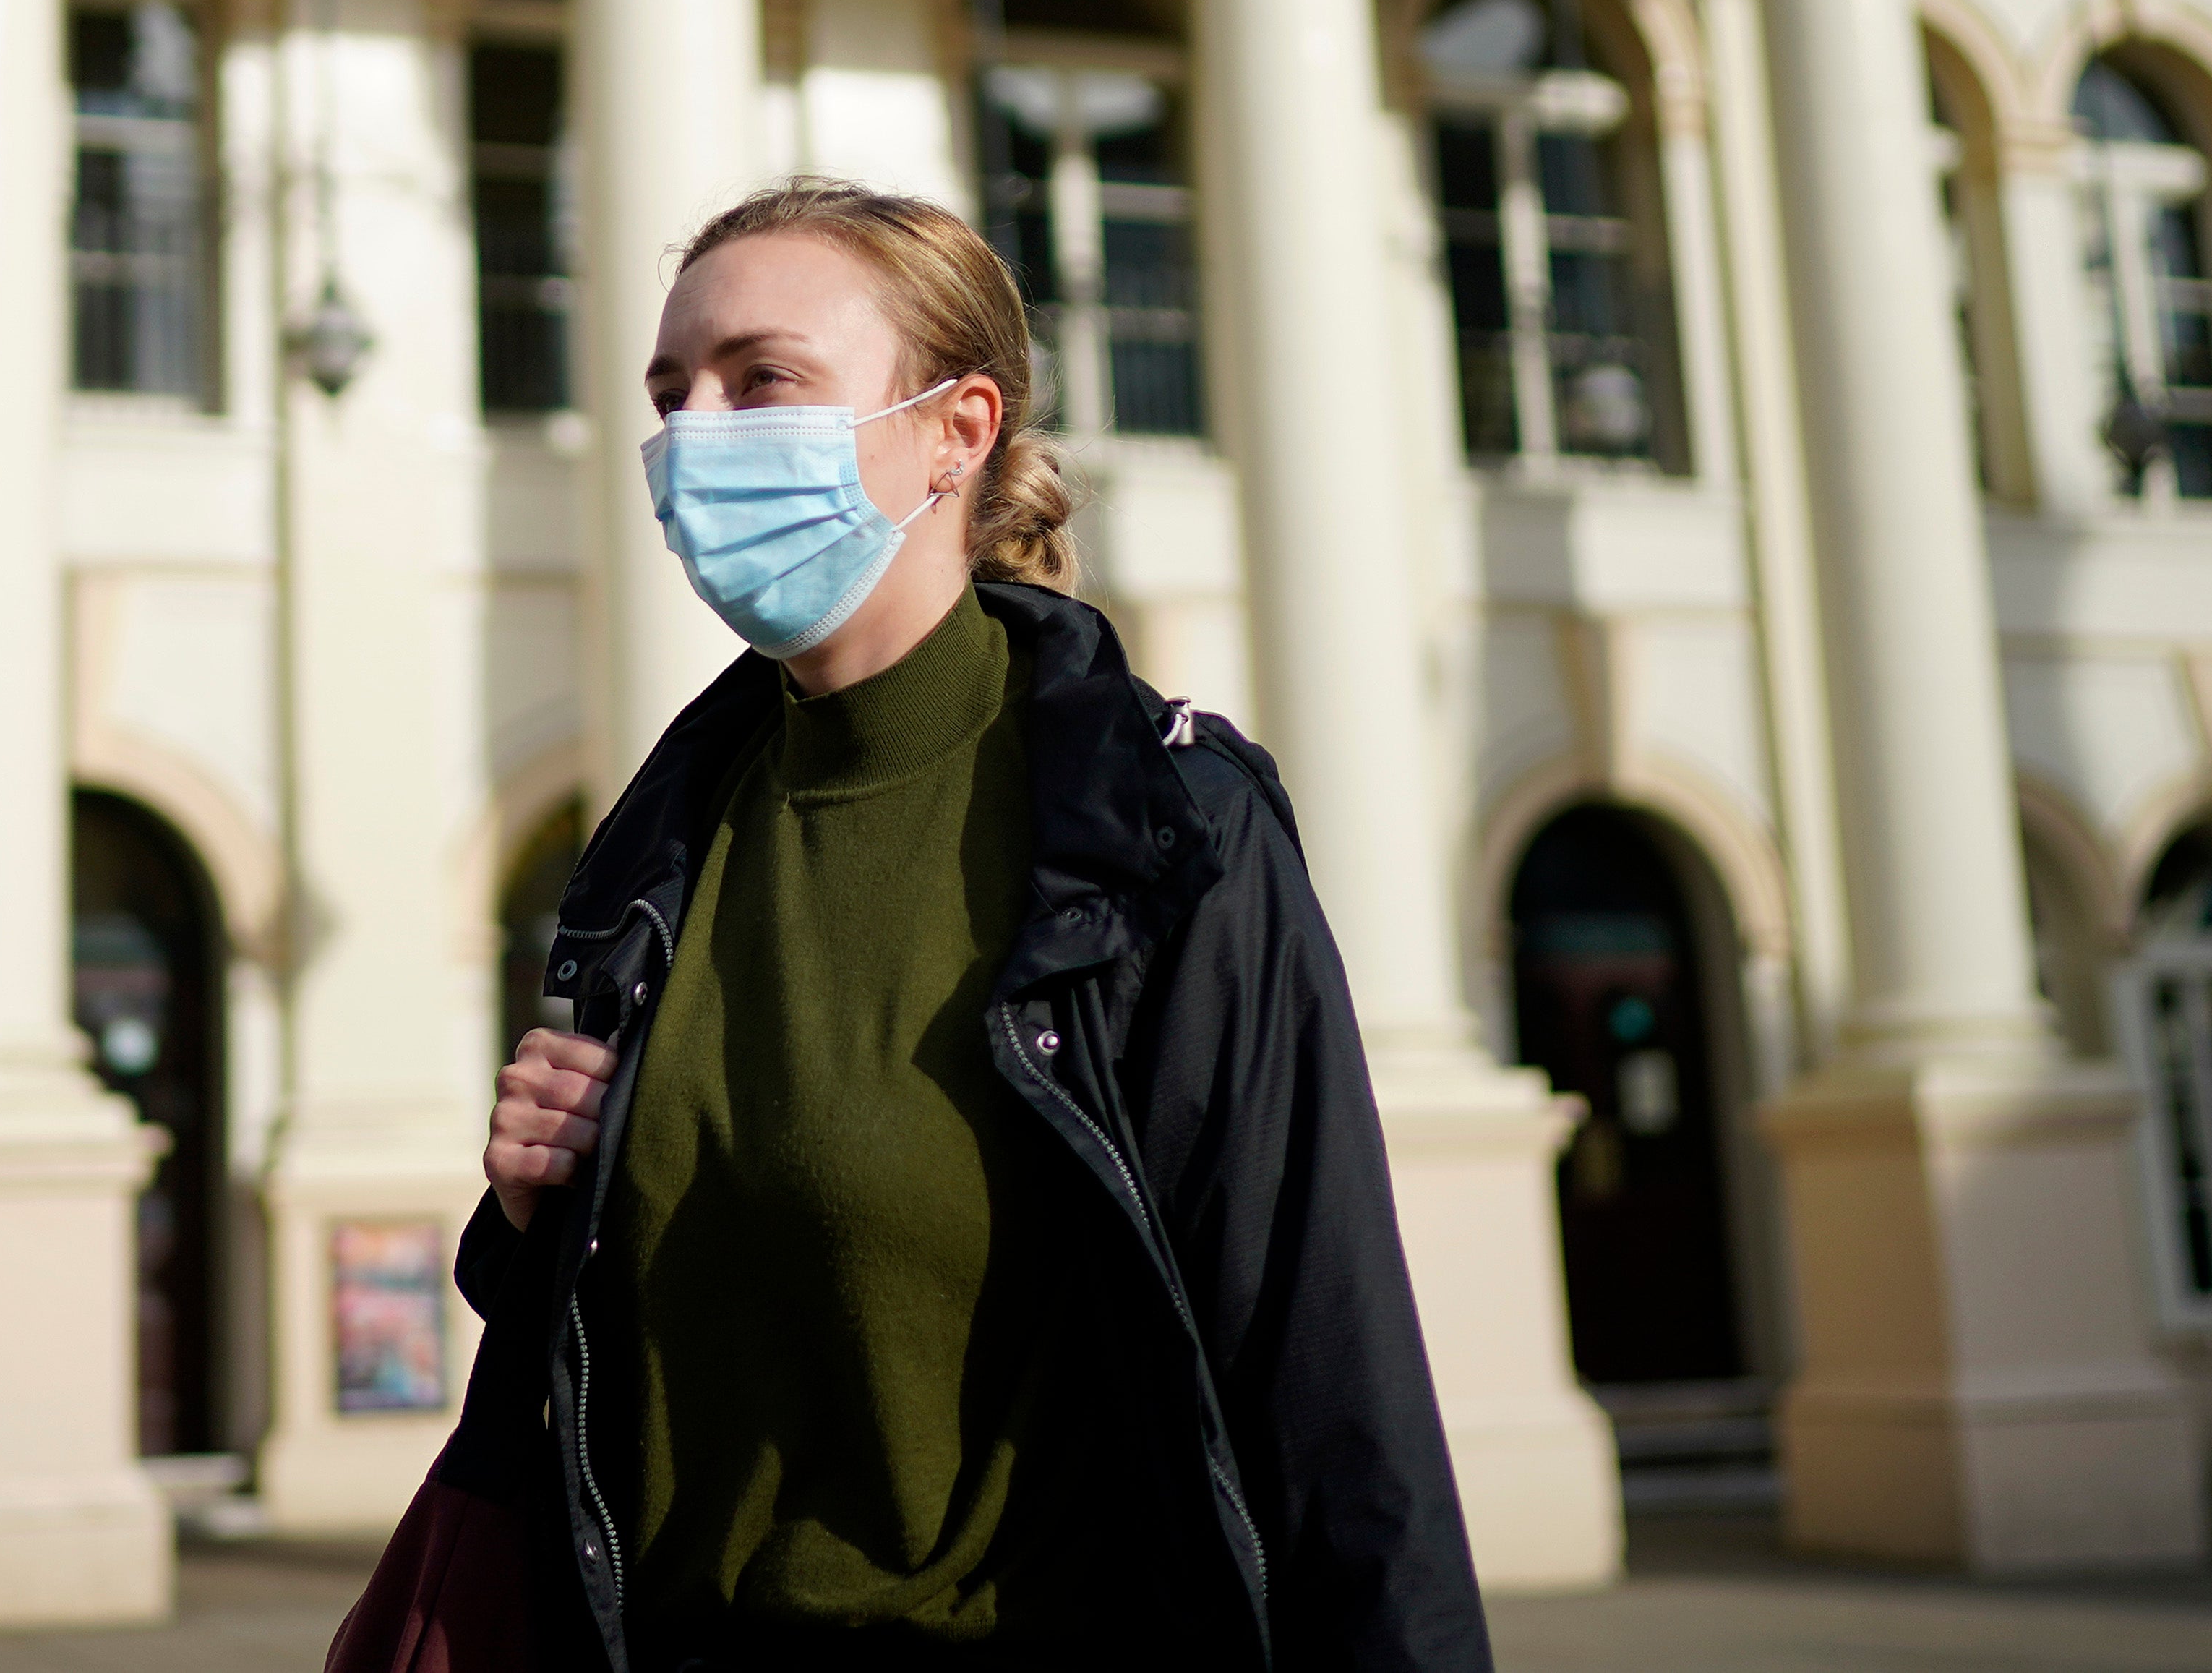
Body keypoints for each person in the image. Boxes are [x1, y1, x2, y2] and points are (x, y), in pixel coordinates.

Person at [442, 181, 1491, 1673]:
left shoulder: (1157, 824)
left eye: (764, 378)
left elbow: (1324, 1373)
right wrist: (541, 1210)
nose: (695, 434)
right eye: (671, 392)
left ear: (957, 427)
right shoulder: (656, 846)